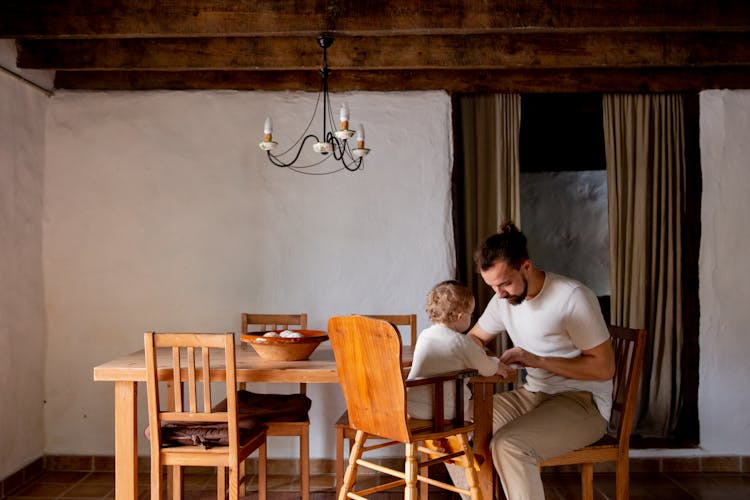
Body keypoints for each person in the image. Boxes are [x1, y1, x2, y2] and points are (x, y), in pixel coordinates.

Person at [469, 222, 615, 500]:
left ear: (526, 266)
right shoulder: (503, 298)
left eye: (504, 283)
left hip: (583, 401)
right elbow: (475, 338)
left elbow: (604, 367)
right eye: (492, 287)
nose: (499, 294)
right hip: (533, 394)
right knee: (456, 427)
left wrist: (538, 360)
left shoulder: (572, 297)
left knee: (509, 445)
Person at [406, 280, 502, 421]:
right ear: (460, 316)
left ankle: (441, 442)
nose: (471, 318)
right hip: (443, 411)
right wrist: (496, 363)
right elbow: (486, 368)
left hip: (411, 407)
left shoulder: (424, 335)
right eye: (471, 314)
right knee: (476, 414)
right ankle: (468, 438)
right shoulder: (461, 342)